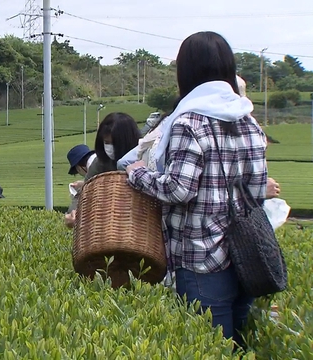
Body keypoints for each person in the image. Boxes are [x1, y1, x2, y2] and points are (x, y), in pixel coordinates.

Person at [125, 31, 266, 349]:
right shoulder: (250, 122)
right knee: (242, 346)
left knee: (209, 348)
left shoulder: (189, 122)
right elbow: (256, 192)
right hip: (247, 256)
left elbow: (178, 190)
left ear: (185, 72)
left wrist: (138, 174)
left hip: (201, 258)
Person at [64, 113, 141, 228]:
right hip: (107, 229)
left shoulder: (144, 157)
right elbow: (83, 192)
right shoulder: (101, 163)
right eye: (106, 143)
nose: (109, 148)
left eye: (113, 143)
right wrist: (73, 212)